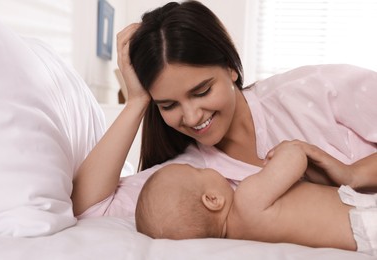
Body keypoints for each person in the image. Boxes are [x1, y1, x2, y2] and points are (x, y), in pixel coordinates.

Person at [71, 0, 377, 228]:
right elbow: (89, 209)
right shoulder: (192, 179)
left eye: (201, 91)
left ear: (230, 68)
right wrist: (136, 101)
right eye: (168, 105)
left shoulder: (311, 91)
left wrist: (354, 174)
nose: (191, 117)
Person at [135, 140, 377, 256]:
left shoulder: (243, 236)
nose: (207, 169)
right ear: (212, 199)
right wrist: (286, 150)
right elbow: (295, 158)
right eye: (198, 171)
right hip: (365, 219)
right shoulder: (246, 200)